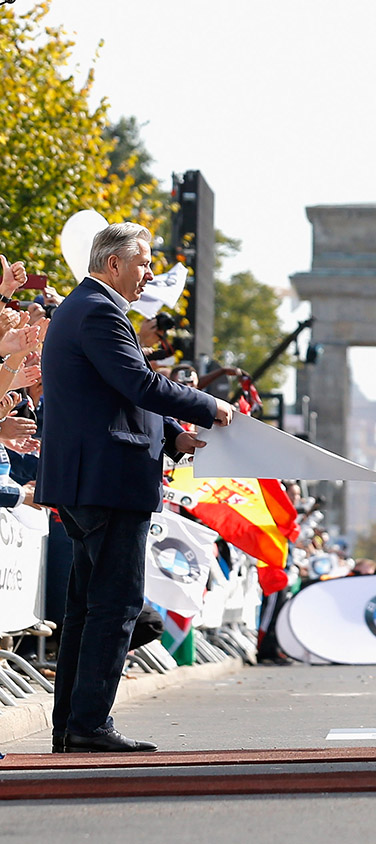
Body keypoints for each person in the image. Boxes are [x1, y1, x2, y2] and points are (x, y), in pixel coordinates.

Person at [36, 222, 234, 753]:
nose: (149, 274)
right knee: (115, 604)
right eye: (144, 263)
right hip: (107, 482)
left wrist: (172, 436)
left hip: (92, 481)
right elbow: (139, 384)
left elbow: (122, 392)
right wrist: (209, 407)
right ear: (113, 263)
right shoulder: (99, 311)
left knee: (87, 608)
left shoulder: (85, 308)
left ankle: (72, 725)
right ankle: (88, 725)